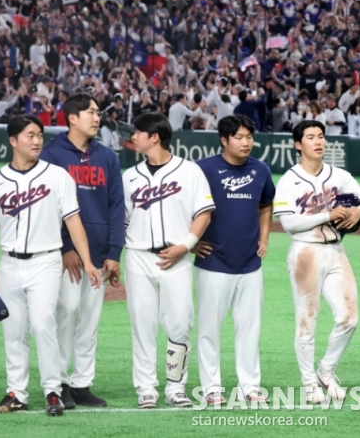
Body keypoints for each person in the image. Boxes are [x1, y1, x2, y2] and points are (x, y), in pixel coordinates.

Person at [0, 115, 102, 416]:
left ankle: (53, 391)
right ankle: (16, 393)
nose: (37, 140)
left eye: (40, 135)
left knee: (43, 325)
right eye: (30, 135)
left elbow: (74, 221)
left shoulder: (57, 177)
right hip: (10, 264)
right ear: (13, 141)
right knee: (13, 331)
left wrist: (87, 261)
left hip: (46, 261)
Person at [273, 120, 360, 403]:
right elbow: (289, 223)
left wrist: (359, 211)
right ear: (297, 144)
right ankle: (309, 385)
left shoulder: (338, 174)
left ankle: (325, 372)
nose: (318, 141)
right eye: (310, 137)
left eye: (321, 136)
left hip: (337, 251)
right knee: (307, 320)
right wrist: (328, 216)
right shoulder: (289, 180)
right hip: (305, 252)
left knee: (349, 318)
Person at [122, 113, 215, 409]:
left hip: (177, 258)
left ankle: (176, 386)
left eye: (138, 132)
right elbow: (123, 220)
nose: (133, 137)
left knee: (179, 324)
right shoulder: (130, 177)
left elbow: (203, 213)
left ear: (155, 137)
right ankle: (146, 387)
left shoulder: (189, 172)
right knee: (142, 324)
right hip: (138, 257)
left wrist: (185, 246)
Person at [38, 94, 125, 410]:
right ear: (71, 117)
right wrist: (64, 248)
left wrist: (114, 252)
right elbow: (44, 205)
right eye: (90, 112)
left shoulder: (107, 157)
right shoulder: (52, 154)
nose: (97, 117)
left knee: (90, 319)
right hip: (68, 257)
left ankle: (82, 382)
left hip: (100, 253)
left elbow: (116, 204)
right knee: (67, 312)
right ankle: (58, 382)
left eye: (98, 112)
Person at [194, 115, 276, 405]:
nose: (246, 143)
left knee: (250, 328)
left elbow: (266, 205)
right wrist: (191, 242)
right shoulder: (203, 169)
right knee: (209, 330)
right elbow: (183, 206)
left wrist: (264, 239)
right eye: (239, 137)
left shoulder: (260, 170)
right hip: (214, 261)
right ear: (224, 140)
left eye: (249, 137)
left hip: (250, 263)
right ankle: (211, 388)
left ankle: (250, 386)